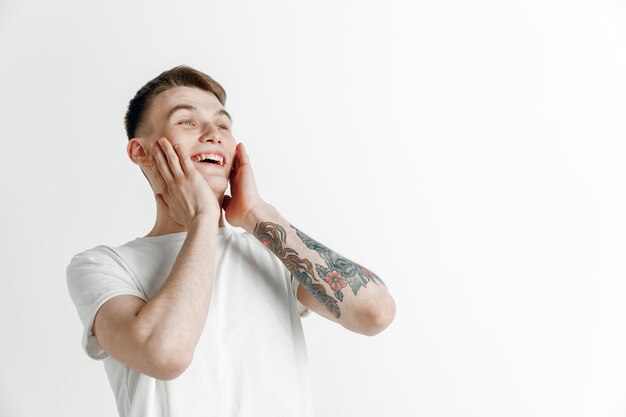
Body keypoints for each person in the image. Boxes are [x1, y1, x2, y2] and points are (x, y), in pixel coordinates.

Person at [66, 65, 396, 417]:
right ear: (141, 152)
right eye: (187, 122)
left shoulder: (269, 251)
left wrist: (256, 215)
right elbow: (166, 355)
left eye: (223, 124)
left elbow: (375, 313)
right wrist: (203, 220)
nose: (213, 133)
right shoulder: (103, 266)